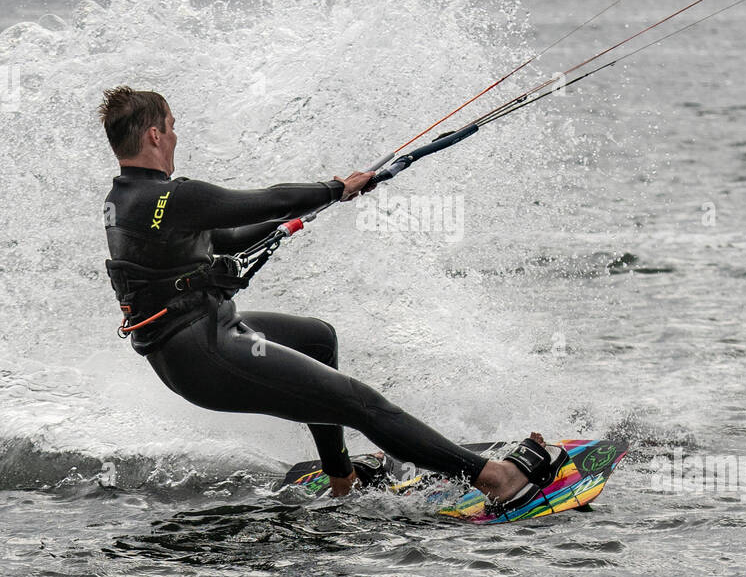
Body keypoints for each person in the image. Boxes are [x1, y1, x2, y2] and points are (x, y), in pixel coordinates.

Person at [98, 86, 561, 510]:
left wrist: (323, 202)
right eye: (173, 127)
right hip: (202, 353)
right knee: (362, 404)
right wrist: (336, 188)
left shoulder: (131, 198)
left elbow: (232, 236)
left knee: (318, 339)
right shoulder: (169, 198)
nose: (178, 138)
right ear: (155, 134)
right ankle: (496, 479)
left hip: (203, 334)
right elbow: (267, 200)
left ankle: (342, 478)